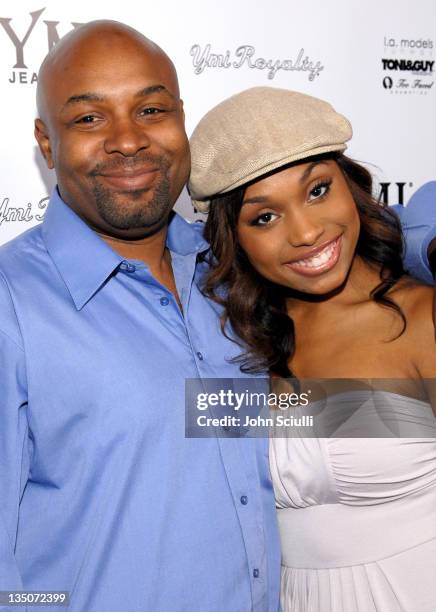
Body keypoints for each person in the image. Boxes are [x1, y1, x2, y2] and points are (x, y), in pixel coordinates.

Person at [0, 22, 281, 611]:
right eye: (88, 118)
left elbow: (348, 419)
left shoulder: (240, 271)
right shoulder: (11, 302)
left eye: (151, 109)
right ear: (46, 144)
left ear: (181, 120)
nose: (128, 140)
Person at [188, 86, 436, 611]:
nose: (305, 231)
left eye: (318, 190)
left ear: (351, 185)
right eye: (264, 217)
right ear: (233, 239)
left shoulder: (422, 319)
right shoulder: (233, 344)